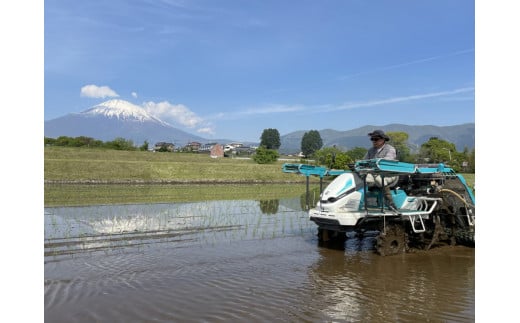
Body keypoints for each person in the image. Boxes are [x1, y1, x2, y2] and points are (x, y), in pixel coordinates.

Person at [363, 130, 400, 213]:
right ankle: (365, 203)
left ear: (383, 140)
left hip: (389, 174)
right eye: (372, 139)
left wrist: (372, 165)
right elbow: (364, 161)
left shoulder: (390, 149)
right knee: (366, 179)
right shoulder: (370, 150)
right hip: (374, 174)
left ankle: (390, 202)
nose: (373, 141)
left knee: (379, 179)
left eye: (376, 139)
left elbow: (385, 163)